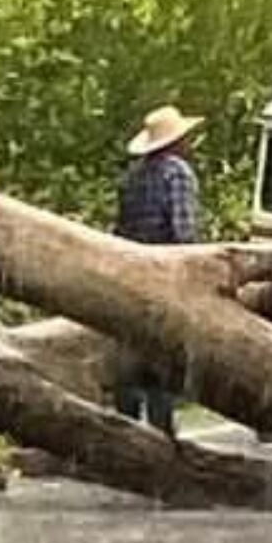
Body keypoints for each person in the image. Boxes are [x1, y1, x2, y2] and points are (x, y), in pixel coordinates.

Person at [113, 105, 206, 435]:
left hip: (131, 272)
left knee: (131, 354)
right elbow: (184, 232)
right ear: (176, 142)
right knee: (162, 361)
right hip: (166, 274)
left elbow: (120, 230)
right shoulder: (177, 174)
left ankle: (125, 427)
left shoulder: (132, 177)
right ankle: (160, 434)